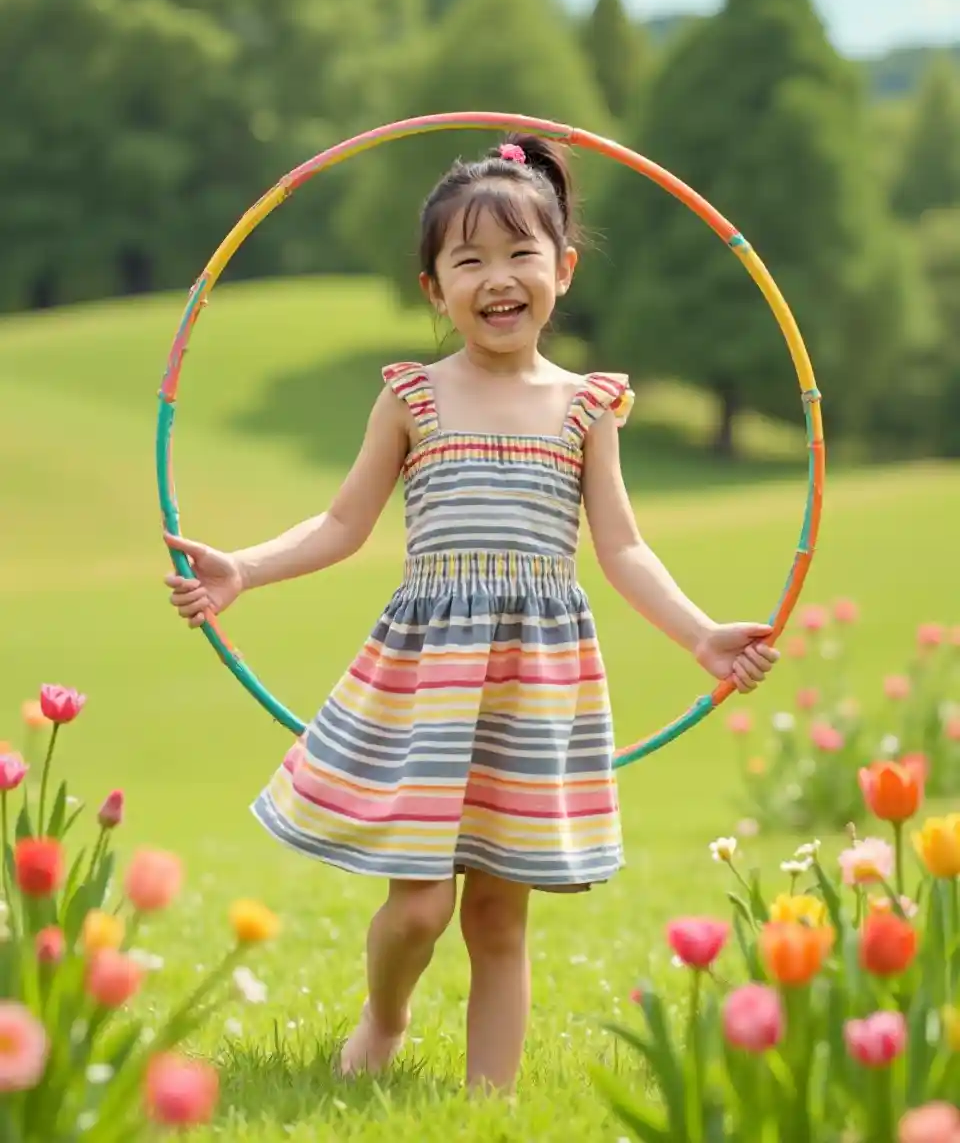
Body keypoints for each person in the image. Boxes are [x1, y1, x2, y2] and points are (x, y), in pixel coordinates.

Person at [163, 134, 779, 1092]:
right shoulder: (414, 398)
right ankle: (386, 1017)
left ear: (563, 270)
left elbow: (622, 548)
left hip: (536, 686)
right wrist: (242, 567)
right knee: (418, 910)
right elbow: (340, 522)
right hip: (430, 682)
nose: (498, 279)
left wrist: (700, 632)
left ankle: (488, 1105)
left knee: (499, 915)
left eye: (521, 254)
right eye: (469, 261)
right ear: (433, 289)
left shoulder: (587, 409)